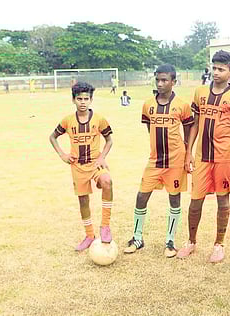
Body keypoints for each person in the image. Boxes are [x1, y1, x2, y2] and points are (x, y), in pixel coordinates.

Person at [177, 50, 230, 263]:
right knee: (195, 200)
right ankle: (191, 241)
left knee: (222, 200)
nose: (216, 72)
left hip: (225, 157)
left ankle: (219, 244)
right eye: (214, 68)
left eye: (221, 69)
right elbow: (196, 124)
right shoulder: (199, 92)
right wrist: (189, 151)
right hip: (202, 158)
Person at [123, 64, 193, 257]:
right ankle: (137, 237)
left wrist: (188, 155)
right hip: (155, 160)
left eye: (164, 80)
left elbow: (188, 132)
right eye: (158, 80)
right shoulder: (148, 105)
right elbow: (149, 128)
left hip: (176, 161)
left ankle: (170, 241)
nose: (160, 84)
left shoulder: (182, 105)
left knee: (174, 197)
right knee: (141, 196)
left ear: (173, 82)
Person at [49, 82, 114, 251]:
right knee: (83, 201)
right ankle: (89, 235)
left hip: (95, 164)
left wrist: (102, 156)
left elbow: (109, 140)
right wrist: (62, 155)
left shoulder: (99, 119)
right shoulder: (67, 121)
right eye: (79, 99)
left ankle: (105, 226)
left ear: (91, 100)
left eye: (86, 99)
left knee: (107, 181)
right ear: (73, 100)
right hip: (77, 167)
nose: (83, 102)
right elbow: (52, 137)